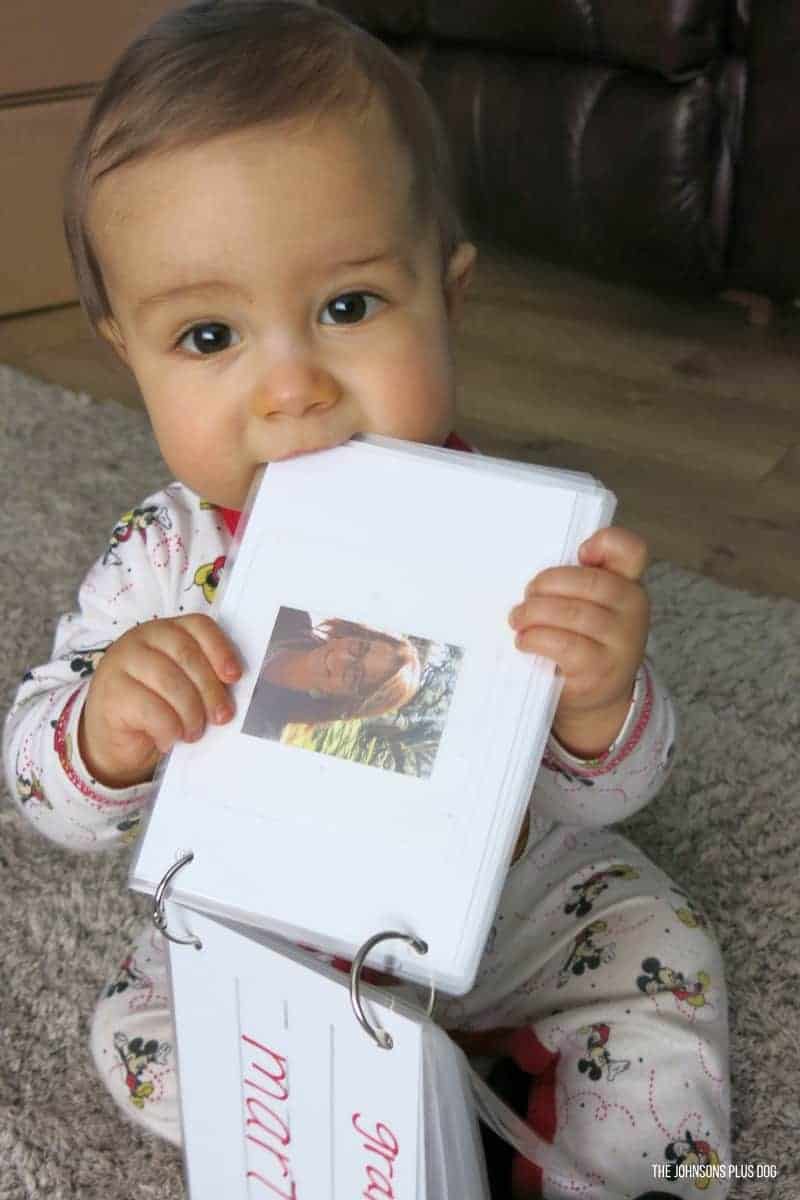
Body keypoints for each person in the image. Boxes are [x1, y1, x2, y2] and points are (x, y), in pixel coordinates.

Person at [2, 2, 730, 1195]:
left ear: (449, 298)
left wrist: (597, 698)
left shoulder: (502, 538)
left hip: (503, 900)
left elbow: (606, 799)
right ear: (123, 352)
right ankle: (367, 1143)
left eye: (346, 307)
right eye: (206, 334)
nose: (292, 387)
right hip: (263, 928)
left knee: (660, 948)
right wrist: (107, 729)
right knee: (142, 1036)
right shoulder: (159, 560)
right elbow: (43, 788)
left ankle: (606, 1165)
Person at [241, 607, 422, 739]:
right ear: (355, 634)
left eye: (354, 676)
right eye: (360, 647)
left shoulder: (259, 730)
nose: (340, 658)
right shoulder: (288, 614)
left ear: (346, 700)